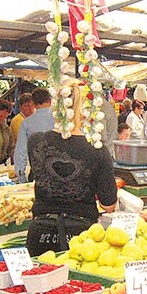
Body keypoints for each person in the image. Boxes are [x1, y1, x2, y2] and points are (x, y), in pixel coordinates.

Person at [26, 78, 117, 257]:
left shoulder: (36, 142)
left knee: (39, 281)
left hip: (40, 233)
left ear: (55, 105)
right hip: (81, 240)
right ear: (87, 111)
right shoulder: (96, 150)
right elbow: (109, 205)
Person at [14, 87, 55, 182]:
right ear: (50, 100)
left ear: (33, 103)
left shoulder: (26, 123)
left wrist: (21, 176)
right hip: (59, 169)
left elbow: (21, 152)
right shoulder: (60, 119)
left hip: (37, 172)